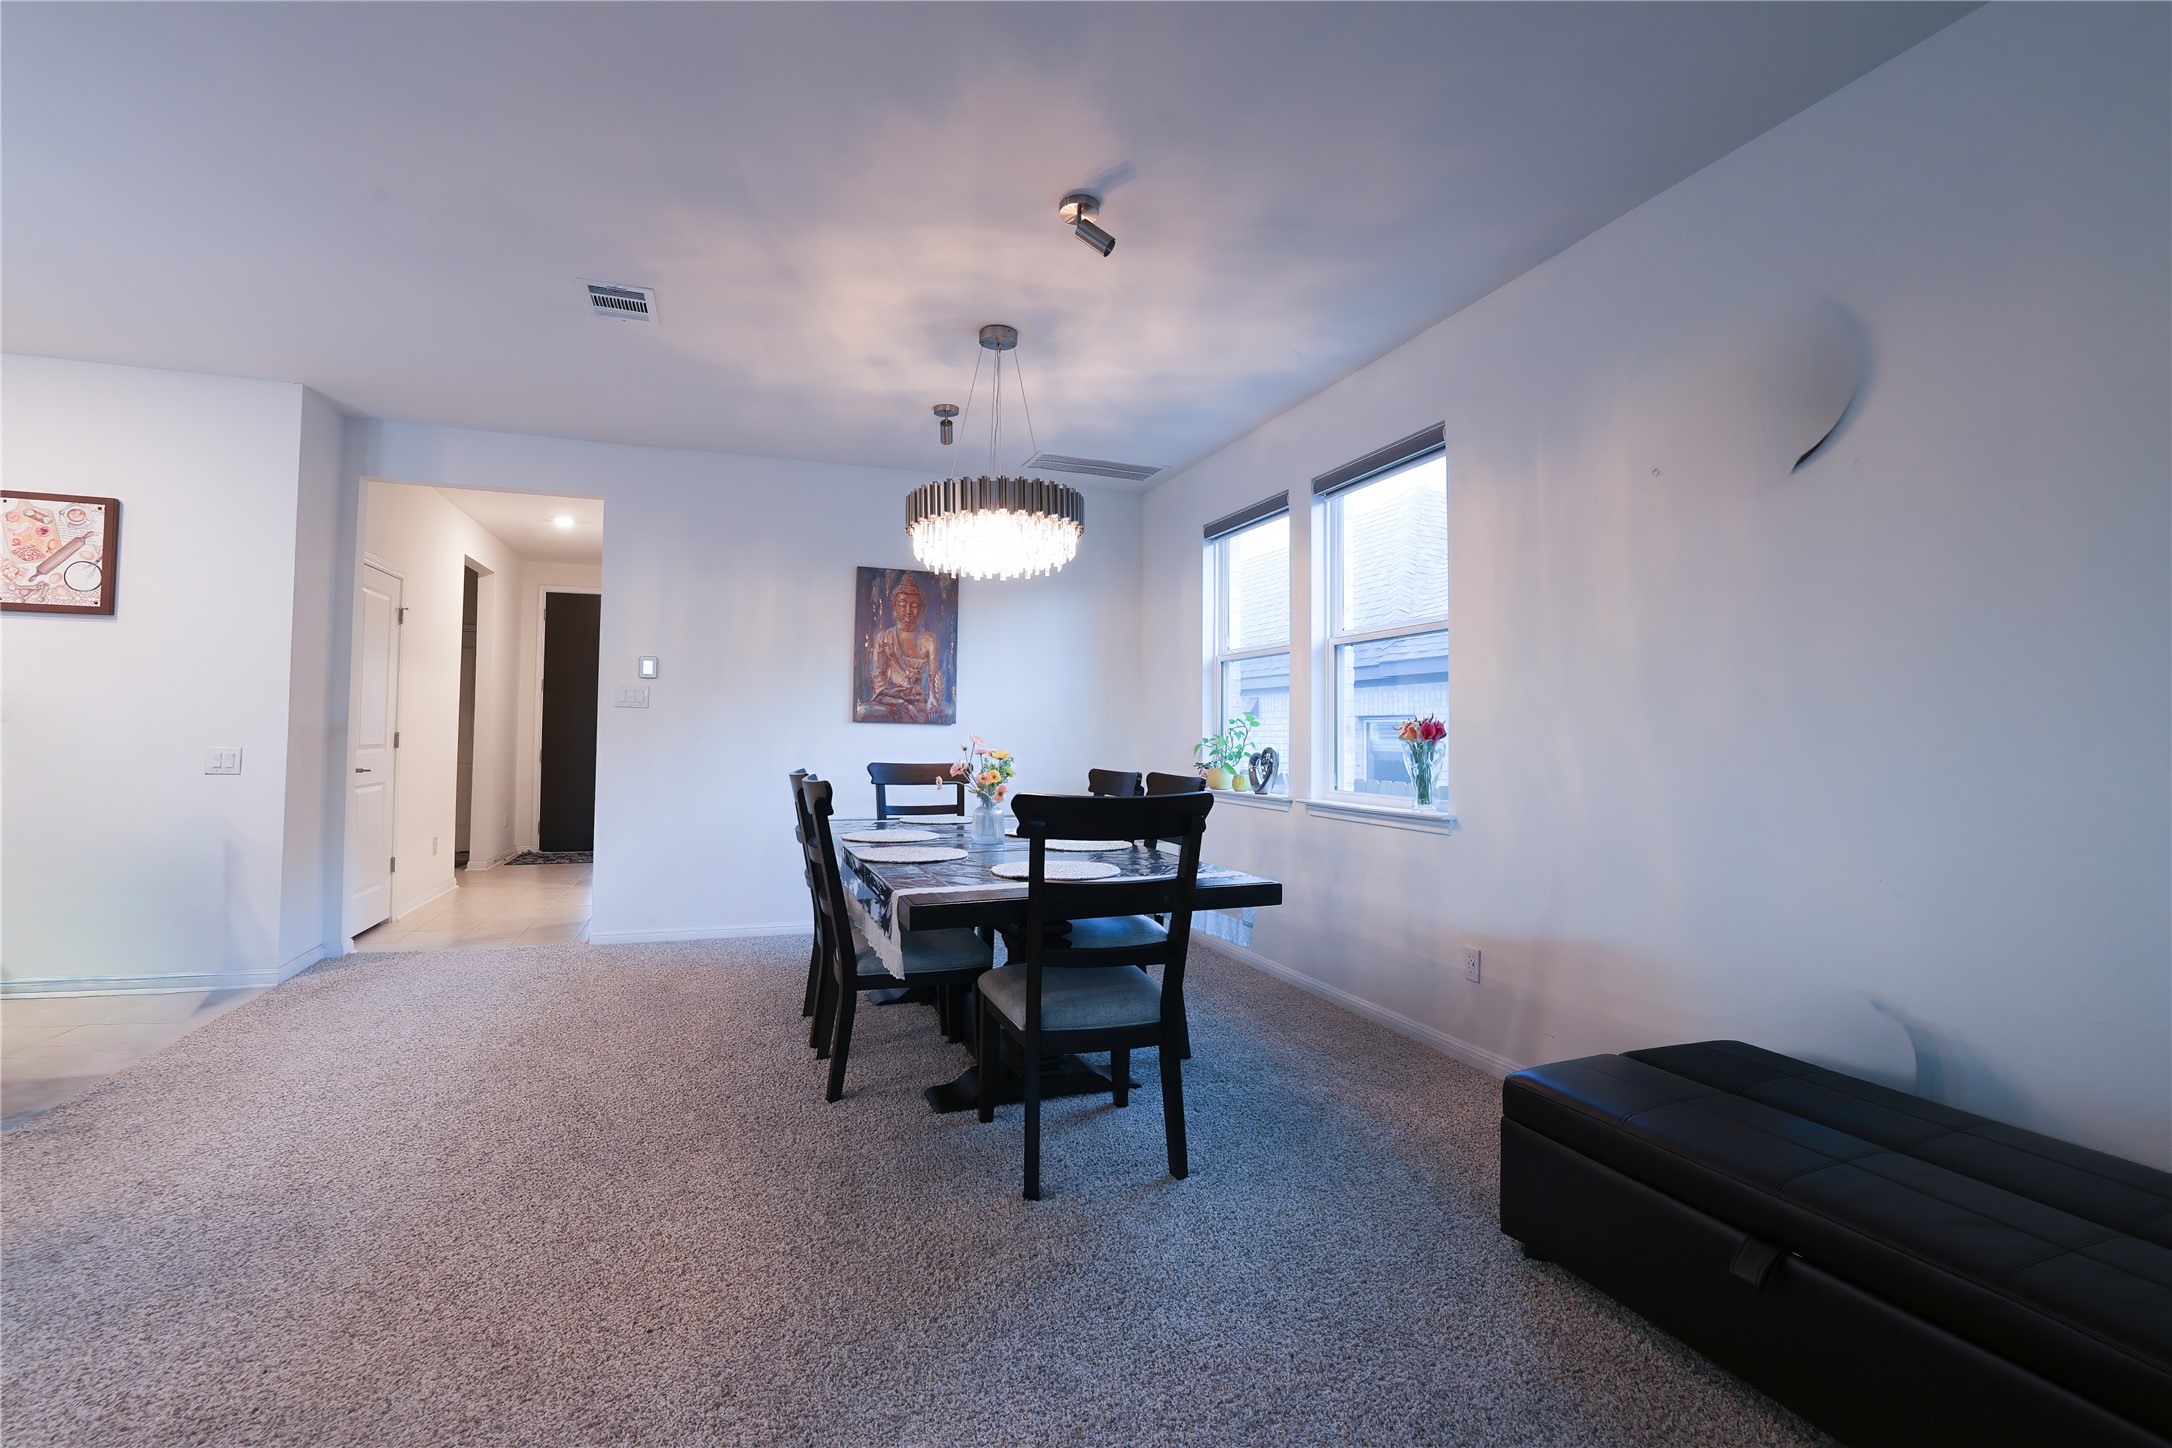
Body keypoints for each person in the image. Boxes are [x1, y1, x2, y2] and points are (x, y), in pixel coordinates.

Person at [864, 573, 945, 722]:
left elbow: (933, 679)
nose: (908, 610)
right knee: (864, 711)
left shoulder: (929, 640)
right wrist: (896, 696)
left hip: (919, 699)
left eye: (914, 605)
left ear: (922, 608)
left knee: (944, 713)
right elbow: (877, 676)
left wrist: (933, 698)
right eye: (902, 604)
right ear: (894, 605)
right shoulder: (884, 637)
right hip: (891, 698)